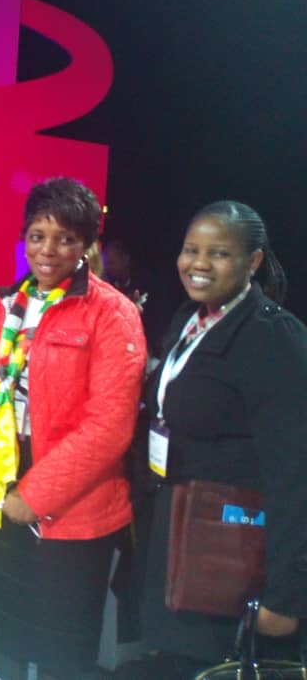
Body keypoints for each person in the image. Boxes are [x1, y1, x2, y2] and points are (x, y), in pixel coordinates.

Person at [0, 177, 146, 680]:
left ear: (85, 245)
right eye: (38, 235)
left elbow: (109, 426)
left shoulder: (112, 313)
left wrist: (34, 495)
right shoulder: (5, 306)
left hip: (73, 501)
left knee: (63, 646)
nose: (48, 250)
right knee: (1, 626)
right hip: (1, 482)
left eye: (65, 238)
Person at [131, 201, 307, 677]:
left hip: (230, 558)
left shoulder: (275, 338)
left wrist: (287, 597)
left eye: (219, 253)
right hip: (175, 545)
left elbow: (294, 477)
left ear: (253, 262)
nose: (199, 263)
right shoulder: (189, 320)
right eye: (191, 250)